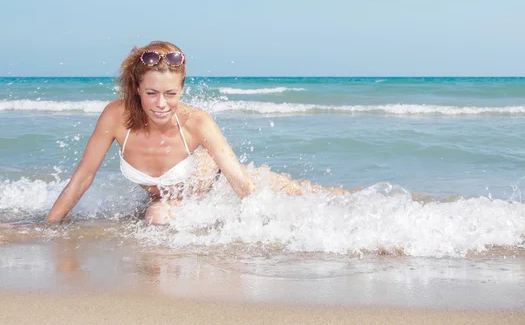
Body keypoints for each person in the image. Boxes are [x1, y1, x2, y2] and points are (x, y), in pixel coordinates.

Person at [47, 41, 345, 225]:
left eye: (171, 93)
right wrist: (48, 226)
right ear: (136, 89)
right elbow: (83, 177)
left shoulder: (197, 121)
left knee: (310, 194)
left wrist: (264, 232)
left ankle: (367, 207)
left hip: (218, 187)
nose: (161, 104)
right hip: (166, 201)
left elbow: (240, 183)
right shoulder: (116, 116)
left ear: (183, 88)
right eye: (151, 93)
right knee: (156, 216)